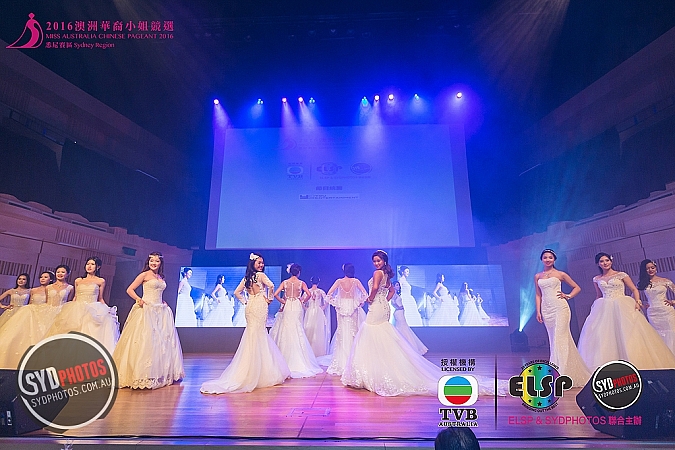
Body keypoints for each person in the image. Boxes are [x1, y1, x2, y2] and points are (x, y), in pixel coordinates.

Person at [341, 250, 442, 396]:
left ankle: (372, 373)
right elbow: (392, 291)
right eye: (374, 261)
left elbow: (375, 288)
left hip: (376, 307)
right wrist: (384, 301)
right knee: (381, 334)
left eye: (378, 260)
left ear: (384, 261)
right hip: (383, 307)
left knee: (370, 333)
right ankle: (381, 370)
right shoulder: (386, 274)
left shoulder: (378, 273)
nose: (376, 263)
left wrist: (370, 299)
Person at [201, 253, 290, 393]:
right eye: (259, 262)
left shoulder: (247, 278)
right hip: (260, 304)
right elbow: (271, 285)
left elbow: (237, 292)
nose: (261, 265)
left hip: (250, 306)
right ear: (253, 264)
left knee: (252, 334)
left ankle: (248, 369)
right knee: (259, 334)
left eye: (262, 263)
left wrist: (246, 301)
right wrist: (269, 298)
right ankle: (261, 371)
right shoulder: (260, 275)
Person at [578, 252, 675, 370]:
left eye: (607, 260)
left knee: (628, 334)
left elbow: (634, 289)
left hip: (622, 304)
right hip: (604, 307)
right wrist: (594, 308)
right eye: (602, 261)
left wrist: (638, 302)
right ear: (598, 264)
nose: (605, 263)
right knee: (604, 335)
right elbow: (599, 295)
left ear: (611, 261)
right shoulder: (596, 279)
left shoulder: (621, 275)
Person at [113, 252, 184, 389]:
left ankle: (159, 373)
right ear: (148, 262)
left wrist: (162, 301)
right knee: (146, 340)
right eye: (152, 261)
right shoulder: (144, 275)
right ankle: (141, 374)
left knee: (161, 341)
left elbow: (158, 292)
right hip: (146, 308)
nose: (154, 263)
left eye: (157, 261)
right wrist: (138, 299)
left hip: (161, 310)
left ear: (160, 263)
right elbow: (130, 289)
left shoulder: (161, 277)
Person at [534, 249, 590, 386]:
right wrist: (538, 311)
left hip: (560, 308)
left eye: (550, 257)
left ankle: (561, 373)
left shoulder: (560, 274)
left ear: (554, 259)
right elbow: (538, 294)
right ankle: (560, 372)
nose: (548, 259)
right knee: (553, 340)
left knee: (560, 338)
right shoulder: (537, 276)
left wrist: (568, 296)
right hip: (546, 310)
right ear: (541, 259)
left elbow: (577, 287)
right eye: (545, 257)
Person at [46, 257, 120, 354]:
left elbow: (100, 298)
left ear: (98, 267)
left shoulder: (100, 281)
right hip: (77, 308)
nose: (89, 266)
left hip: (93, 309)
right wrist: (68, 309)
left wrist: (107, 309)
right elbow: (75, 296)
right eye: (88, 264)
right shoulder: (78, 280)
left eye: (92, 264)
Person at [0, 270, 65, 369]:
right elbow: (30, 302)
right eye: (41, 277)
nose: (42, 279)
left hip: (43, 315)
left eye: (45, 277)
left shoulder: (50, 290)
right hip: (30, 313)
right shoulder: (32, 290)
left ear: (51, 279)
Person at [272, 264, 322, 378]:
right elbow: (309, 294)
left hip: (288, 305)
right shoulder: (301, 283)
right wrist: (302, 301)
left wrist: (283, 301)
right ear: (299, 272)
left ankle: (284, 359)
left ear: (290, 272)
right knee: (297, 327)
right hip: (297, 305)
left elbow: (275, 294)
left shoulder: (285, 282)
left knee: (287, 328)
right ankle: (298, 358)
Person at [322, 263, 368, 376]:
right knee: (352, 332)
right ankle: (352, 362)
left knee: (343, 333)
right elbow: (365, 294)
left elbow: (328, 295)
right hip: (352, 307)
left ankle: (342, 362)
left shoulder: (339, 281)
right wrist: (358, 303)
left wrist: (337, 304)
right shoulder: (356, 281)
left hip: (342, 307)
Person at [638, 259, 675, 354]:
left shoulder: (665, 281)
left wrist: (673, 301)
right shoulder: (643, 283)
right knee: (657, 335)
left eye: (652, 267)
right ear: (644, 270)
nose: (650, 270)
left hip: (667, 311)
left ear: (656, 268)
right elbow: (634, 296)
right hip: (653, 313)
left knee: (671, 333)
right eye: (647, 268)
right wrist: (642, 305)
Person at [391, 280, 428, 354]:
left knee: (403, 327)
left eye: (398, 285)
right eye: (397, 285)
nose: (398, 286)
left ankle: (406, 346)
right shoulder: (393, 294)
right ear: (393, 286)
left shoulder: (396, 294)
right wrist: (398, 307)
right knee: (401, 327)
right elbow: (392, 302)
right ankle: (405, 346)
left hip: (401, 312)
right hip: (398, 312)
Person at [304, 276, 329, 357]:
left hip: (310, 311)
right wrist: (322, 308)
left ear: (311, 282)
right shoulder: (321, 291)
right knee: (318, 330)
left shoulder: (307, 291)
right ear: (318, 282)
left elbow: (302, 301)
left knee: (308, 328)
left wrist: (306, 308)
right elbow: (327, 300)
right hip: (318, 312)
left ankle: (308, 351)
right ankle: (318, 352)